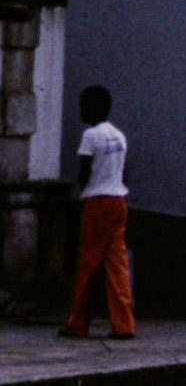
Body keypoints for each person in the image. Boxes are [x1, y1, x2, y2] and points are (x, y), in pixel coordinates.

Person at [63, 86, 132, 340]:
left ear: (92, 108)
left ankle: (77, 323)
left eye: (83, 105)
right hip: (118, 199)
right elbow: (125, 173)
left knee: (88, 263)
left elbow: (84, 171)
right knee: (117, 264)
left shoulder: (91, 135)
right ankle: (124, 324)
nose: (81, 110)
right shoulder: (119, 136)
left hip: (97, 200)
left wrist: (79, 194)